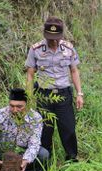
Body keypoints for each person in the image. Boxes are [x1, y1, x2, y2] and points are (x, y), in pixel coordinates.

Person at [25, 17, 84, 162]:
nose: (53, 41)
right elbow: (30, 74)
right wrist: (29, 96)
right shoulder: (36, 49)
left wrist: (79, 93)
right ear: (45, 34)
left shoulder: (69, 48)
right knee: (45, 131)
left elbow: (74, 71)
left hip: (64, 95)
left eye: (56, 38)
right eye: (50, 38)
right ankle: (45, 161)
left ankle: (72, 158)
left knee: (68, 129)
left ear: (61, 34)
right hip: (44, 96)